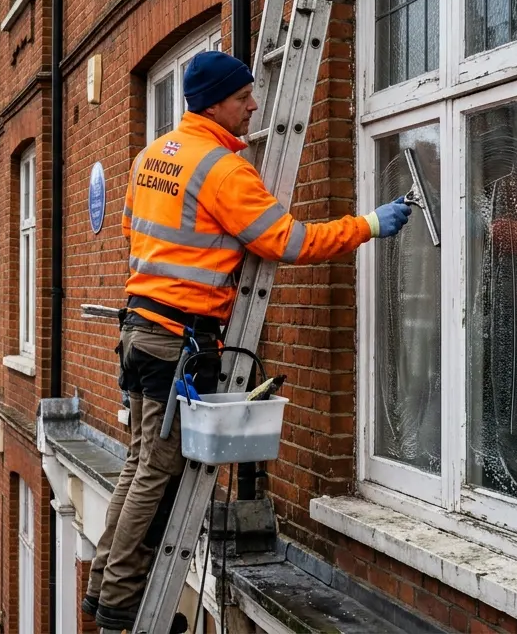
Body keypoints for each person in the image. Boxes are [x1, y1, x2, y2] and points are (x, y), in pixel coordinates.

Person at [83, 51, 413, 630]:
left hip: (139, 330)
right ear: (214, 103)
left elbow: (148, 230)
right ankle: (118, 604)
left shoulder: (149, 157)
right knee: (156, 470)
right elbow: (286, 241)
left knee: (139, 464)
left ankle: (102, 585)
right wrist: (367, 225)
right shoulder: (223, 170)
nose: (254, 105)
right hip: (178, 339)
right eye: (243, 98)